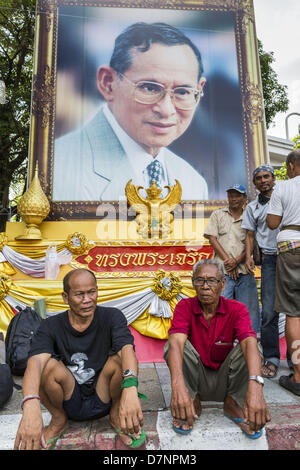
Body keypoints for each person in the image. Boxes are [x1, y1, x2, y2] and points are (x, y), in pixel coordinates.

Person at [52, 22, 208, 202]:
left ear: (199, 90)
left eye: (182, 92)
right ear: (108, 83)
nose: (166, 110)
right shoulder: (57, 169)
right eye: (149, 88)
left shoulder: (193, 183)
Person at [14, 269, 145, 450]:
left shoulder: (112, 316)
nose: (87, 299)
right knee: (46, 366)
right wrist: (30, 404)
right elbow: (35, 362)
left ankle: (115, 415)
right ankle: (58, 419)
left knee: (119, 359)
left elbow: (127, 349)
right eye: (79, 294)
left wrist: (131, 386)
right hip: (68, 398)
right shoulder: (50, 325)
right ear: (65, 298)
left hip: (104, 394)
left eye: (92, 292)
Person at [164, 259, 270, 438]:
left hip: (226, 382)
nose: (205, 286)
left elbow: (249, 342)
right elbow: (175, 343)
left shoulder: (236, 309)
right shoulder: (185, 306)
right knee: (173, 345)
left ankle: (233, 402)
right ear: (193, 283)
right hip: (197, 380)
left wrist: (256, 386)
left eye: (211, 281)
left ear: (223, 284)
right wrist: (177, 386)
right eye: (200, 280)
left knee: (253, 347)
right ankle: (191, 399)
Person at [242, 165, 281, 378]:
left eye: (266, 176)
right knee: (268, 311)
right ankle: (272, 358)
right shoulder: (252, 207)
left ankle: (296, 362)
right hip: (269, 260)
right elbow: (249, 235)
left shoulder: (285, 196)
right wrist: (248, 256)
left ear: (274, 178)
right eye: (258, 178)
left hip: (292, 256)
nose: (263, 180)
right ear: (254, 183)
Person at [204, 184, 260, 332]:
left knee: (249, 313)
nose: (233, 198)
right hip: (222, 272)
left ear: (244, 198)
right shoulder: (218, 214)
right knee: (219, 309)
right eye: (231, 195)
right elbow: (212, 238)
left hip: (244, 271)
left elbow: (252, 241)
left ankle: (251, 344)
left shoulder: (250, 215)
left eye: (237, 195)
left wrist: (236, 261)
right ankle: (218, 343)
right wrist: (229, 262)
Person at [267, 149, 300, 396]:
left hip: (291, 246)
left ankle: (298, 376)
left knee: (293, 311)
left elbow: (272, 223)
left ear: (290, 165)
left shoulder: (284, 187)